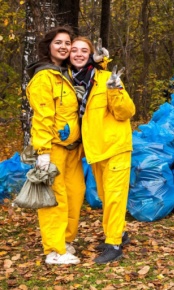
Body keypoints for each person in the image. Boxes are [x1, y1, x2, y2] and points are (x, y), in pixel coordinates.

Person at [69, 36, 135, 264]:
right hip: (96, 149)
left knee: (115, 198)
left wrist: (116, 90)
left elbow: (126, 112)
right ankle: (119, 234)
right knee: (107, 197)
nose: (78, 53)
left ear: (89, 54)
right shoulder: (72, 82)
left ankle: (114, 244)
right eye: (73, 50)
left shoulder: (107, 79)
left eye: (83, 50)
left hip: (115, 146)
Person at [25, 26, 85, 265]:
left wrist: (103, 59)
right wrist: (43, 152)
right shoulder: (44, 77)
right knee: (54, 198)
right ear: (49, 47)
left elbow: (91, 61)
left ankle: (66, 240)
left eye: (67, 42)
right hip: (53, 150)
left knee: (75, 194)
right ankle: (54, 250)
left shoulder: (69, 73)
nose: (64, 47)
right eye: (58, 42)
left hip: (73, 150)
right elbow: (42, 117)